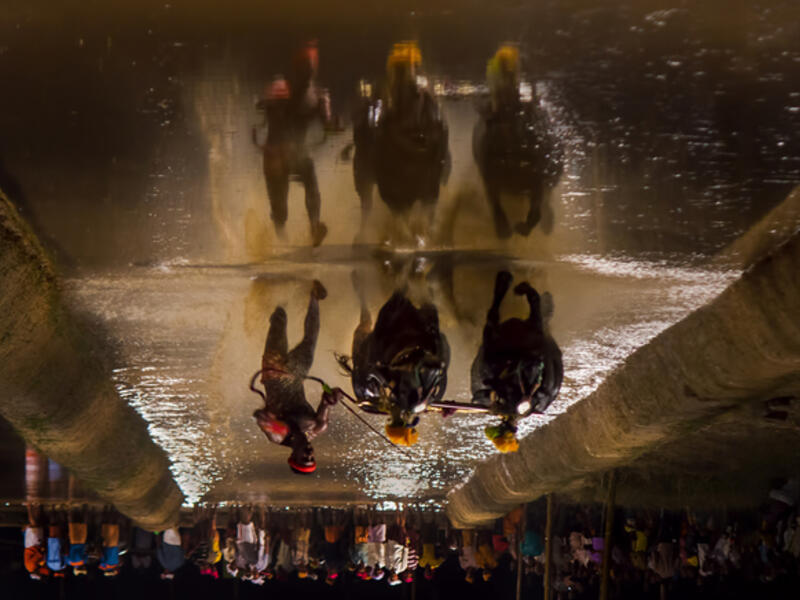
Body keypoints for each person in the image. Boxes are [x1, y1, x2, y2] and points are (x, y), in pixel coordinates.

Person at [340, 272, 449, 445]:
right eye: (401, 422)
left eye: (394, 421)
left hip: (389, 360)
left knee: (375, 349)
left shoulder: (383, 400)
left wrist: (379, 368)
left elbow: (380, 374)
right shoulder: (421, 403)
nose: (397, 417)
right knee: (437, 344)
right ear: (411, 423)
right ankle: (431, 291)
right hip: (424, 363)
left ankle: (368, 300)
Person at [472, 44, 563, 238]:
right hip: (501, 104)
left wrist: (527, 98)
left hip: (519, 105)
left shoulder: (523, 67)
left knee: (541, 128)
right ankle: (494, 199)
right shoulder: (494, 68)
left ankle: (544, 190)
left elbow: (531, 91)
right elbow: (491, 93)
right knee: (488, 127)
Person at [253, 280, 343, 474]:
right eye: (312, 458)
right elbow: (329, 401)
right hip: (296, 374)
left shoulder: (279, 436)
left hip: (273, 372)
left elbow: (260, 418)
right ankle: (314, 296)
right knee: (310, 342)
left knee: (279, 320)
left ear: (293, 457)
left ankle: (276, 289)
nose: (309, 454)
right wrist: (334, 396)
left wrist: (266, 419)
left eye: (304, 458)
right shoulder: (317, 426)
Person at [471, 271, 562, 453]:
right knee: (537, 348)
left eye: (506, 428)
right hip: (528, 367)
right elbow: (544, 389)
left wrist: (490, 400)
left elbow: (481, 394)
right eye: (512, 429)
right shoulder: (536, 402)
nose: (510, 425)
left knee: (488, 344)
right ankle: (535, 302)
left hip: (501, 369)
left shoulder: (497, 407)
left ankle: (499, 294)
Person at [254, 41, 332, 247]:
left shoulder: (316, 95)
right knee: (280, 209)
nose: (309, 70)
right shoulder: (282, 90)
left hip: (296, 153)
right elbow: (267, 113)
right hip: (276, 154)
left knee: (310, 177)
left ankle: (314, 226)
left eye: (311, 65)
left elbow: (328, 125)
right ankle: (280, 240)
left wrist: (328, 118)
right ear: (297, 68)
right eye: (305, 65)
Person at [374, 42, 450, 238]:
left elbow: (439, 130)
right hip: (397, 167)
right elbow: (379, 135)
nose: (403, 76)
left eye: (405, 70)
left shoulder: (425, 101)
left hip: (423, 162)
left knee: (438, 161)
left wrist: (434, 153)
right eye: (399, 71)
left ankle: (425, 225)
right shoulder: (387, 105)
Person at [23, 503, 49, 580]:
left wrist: (43, 556)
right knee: (37, 525)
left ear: (35, 572)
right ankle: (36, 507)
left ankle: (29, 507)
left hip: (32, 544)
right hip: (33, 545)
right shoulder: (31, 567)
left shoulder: (32, 566)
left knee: (33, 525)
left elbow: (38, 555)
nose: (40, 572)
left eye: (39, 573)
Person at [67, 504, 89, 575]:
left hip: (82, 542)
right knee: (72, 524)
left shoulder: (84, 561)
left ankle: (85, 507)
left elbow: (87, 553)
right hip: (73, 542)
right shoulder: (70, 562)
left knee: (83, 524)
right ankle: (71, 507)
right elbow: (66, 553)